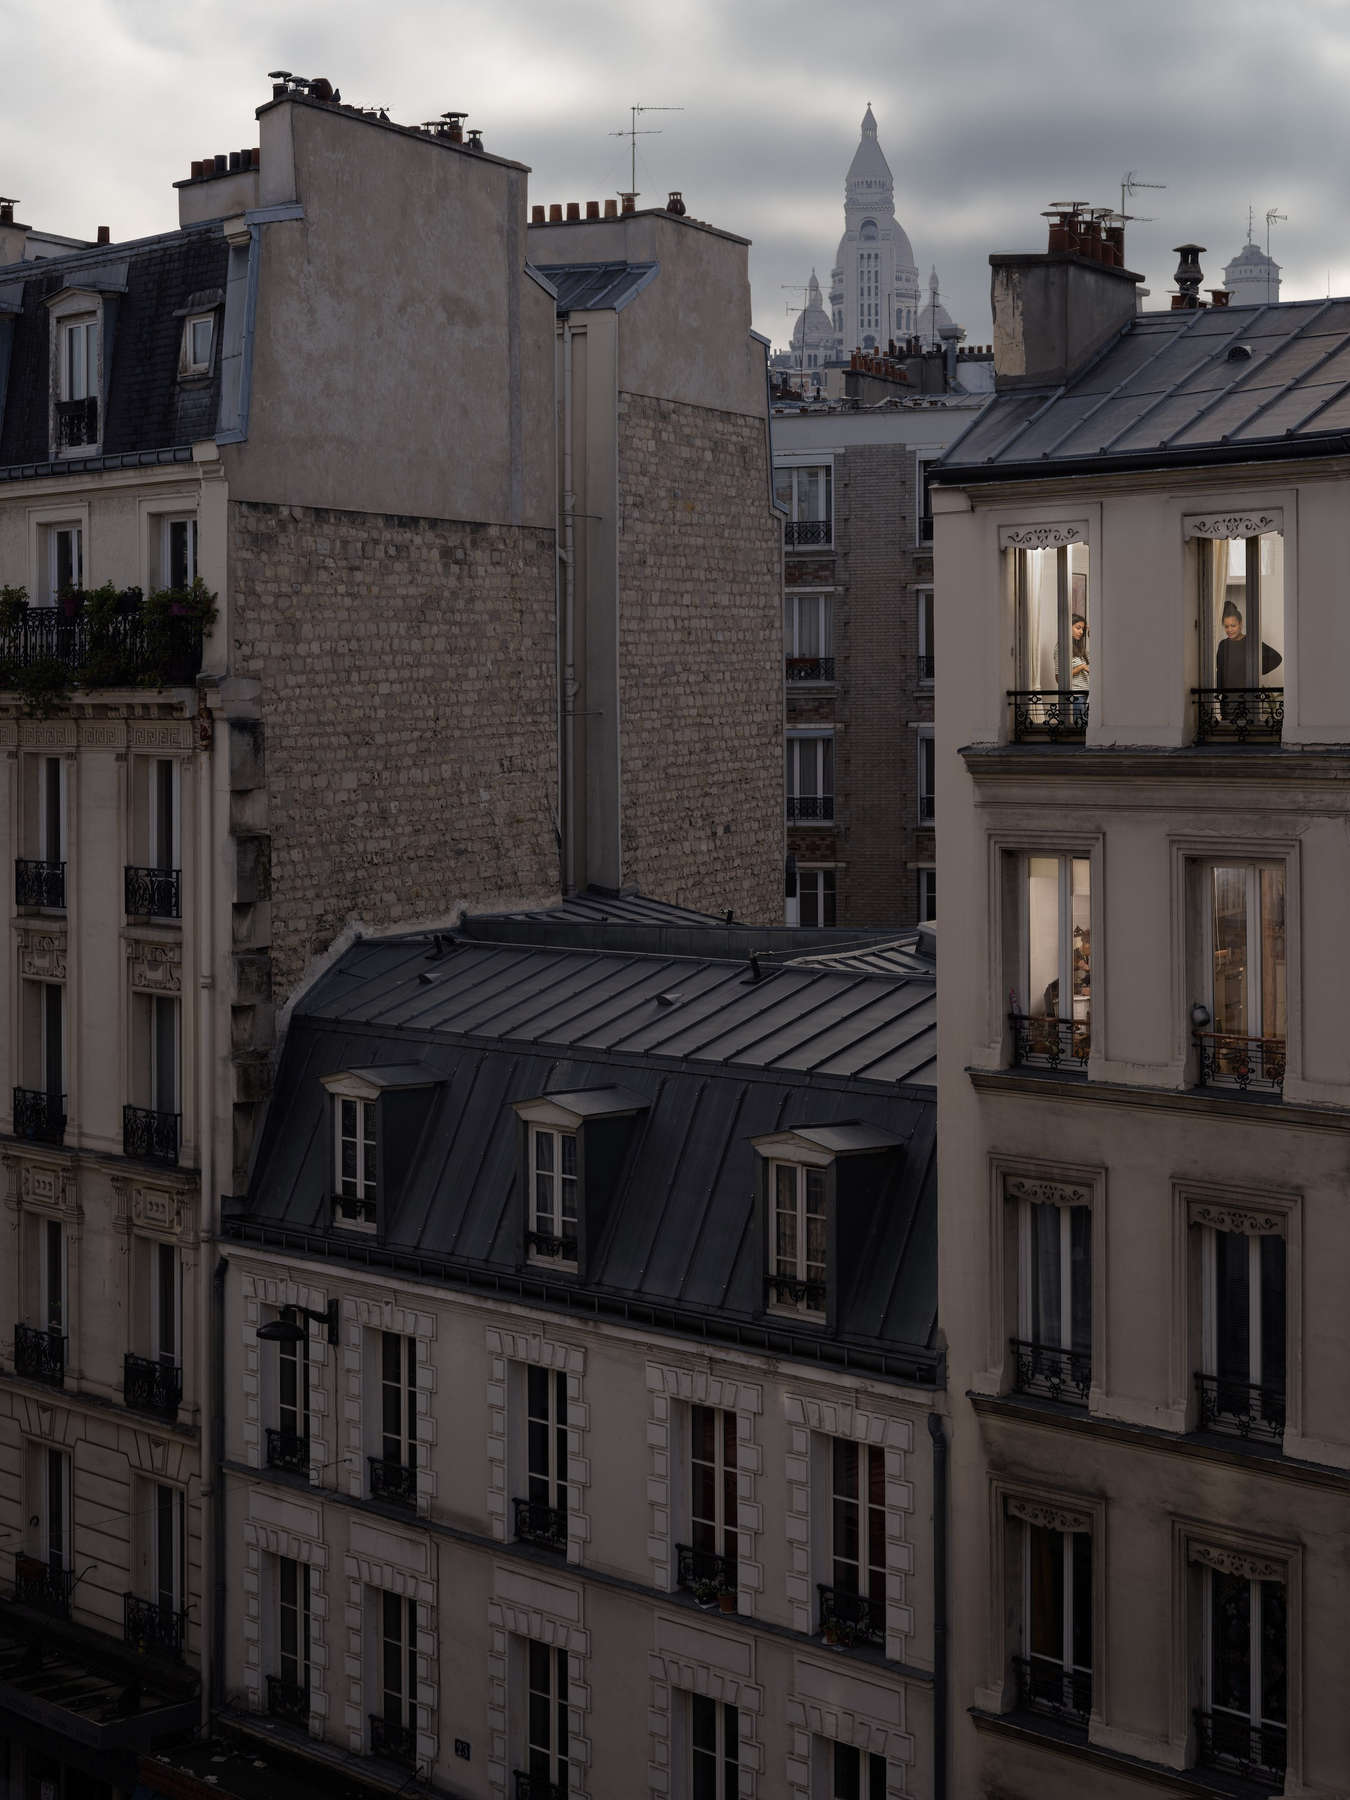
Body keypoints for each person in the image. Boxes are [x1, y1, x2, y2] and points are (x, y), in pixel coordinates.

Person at [1216, 601, 1281, 713]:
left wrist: (1255, 670)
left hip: (1247, 698)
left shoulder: (1251, 642)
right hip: (1227, 700)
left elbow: (1276, 658)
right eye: (1226, 626)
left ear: (1240, 624)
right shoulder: (1223, 645)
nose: (1230, 630)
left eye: (1233, 626)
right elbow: (1219, 670)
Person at [1055, 614, 1090, 727]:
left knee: (1083, 729)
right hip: (1075, 696)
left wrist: (1090, 635)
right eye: (1078, 628)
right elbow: (1059, 678)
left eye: (1083, 629)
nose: (1081, 632)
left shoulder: (1078, 649)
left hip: (1084, 694)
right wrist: (1081, 667)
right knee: (1079, 729)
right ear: (1068, 627)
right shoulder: (1061, 647)